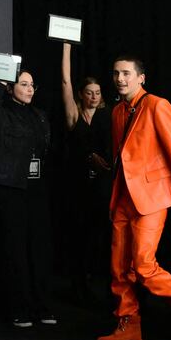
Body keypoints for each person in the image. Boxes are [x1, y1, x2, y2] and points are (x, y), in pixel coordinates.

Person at [95, 55, 171, 340]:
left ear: (141, 78)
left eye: (127, 73)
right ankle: (129, 324)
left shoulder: (157, 105)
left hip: (151, 198)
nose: (120, 78)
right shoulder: (117, 111)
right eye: (116, 73)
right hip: (122, 198)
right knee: (119, 267)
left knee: (143, 265)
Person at [0, 70, 54, 327]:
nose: (29, 89)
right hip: (8, 187)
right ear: (10, 88)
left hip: (36, 188)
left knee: (38, 247)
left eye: (32, 84)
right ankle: (18, 308)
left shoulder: (40, 116)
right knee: (14, 247)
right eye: (23, 84)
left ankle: (41, 305)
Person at [60, 42, 112, 306]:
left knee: (99, 237)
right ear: (81, 94)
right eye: (89, 92)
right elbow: (66, 82)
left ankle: (99, 285)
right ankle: (78, 285)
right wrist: (66, 46)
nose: (93, 96)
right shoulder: (73, 115)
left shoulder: (108, 117)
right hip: (77, 185)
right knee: (78, 235)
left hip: (102, 186)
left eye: (98, 92)